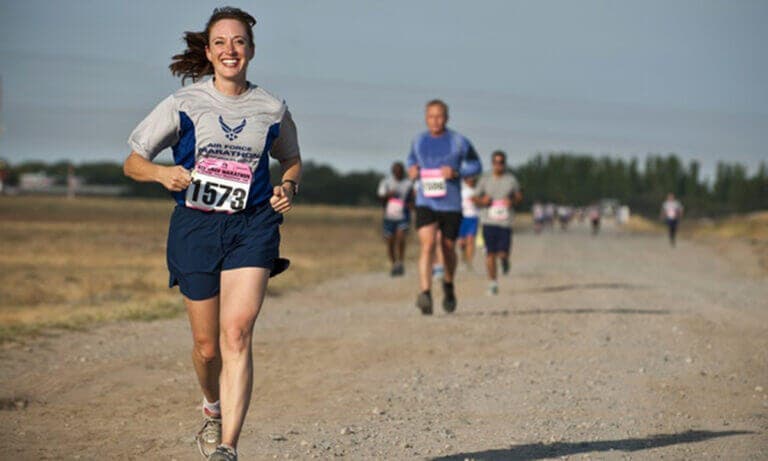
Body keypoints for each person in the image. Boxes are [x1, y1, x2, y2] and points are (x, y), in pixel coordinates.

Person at [123, 8, 301, 461]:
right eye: (221, 42)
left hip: (252, 225)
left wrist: (288, 187)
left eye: (239, 42)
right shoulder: (183, 104)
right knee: (207, 349)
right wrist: (164, 176)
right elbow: (133, 161)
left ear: (252, 50)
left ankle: (228, 448)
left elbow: (291, 159)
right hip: (196, 227)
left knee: (237, 333)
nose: (230, 50)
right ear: (208, 51)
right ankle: (211, 405)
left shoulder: (271, 107)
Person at [407, 99, 482, 314]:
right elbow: (410, 162)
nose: (435, 121)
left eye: (439, 116)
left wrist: (457, 173)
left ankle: (448, 285)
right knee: (428, 244)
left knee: (448, 248)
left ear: (446, 118)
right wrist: (412, 169)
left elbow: (476, 164)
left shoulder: (459, 141)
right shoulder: (418, 141)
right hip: (426, 201)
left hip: (450, 204)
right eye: (431, 116)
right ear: (425, 118)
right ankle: (425, 294)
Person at [474, 150, 522, 295]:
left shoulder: (511, 180)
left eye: (501, 162)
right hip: (488, 220)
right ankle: (492, 282)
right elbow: (475, 197)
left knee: (502, 253)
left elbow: (519, 196)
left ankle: (505, 261)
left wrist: (512, 201)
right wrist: (483, 201)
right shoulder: (485, 179)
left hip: (505, 222)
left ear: (505, 164)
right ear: (492, 163)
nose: (498, 165)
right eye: (495, 162)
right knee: (490, 254)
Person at [377, 162, 413, 276]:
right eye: (396, 171)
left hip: (403, 216)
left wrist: (411, 205)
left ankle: (401, 262)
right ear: (393, 172)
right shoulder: (386, 182)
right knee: (390, 242)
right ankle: (394, 264)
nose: (398, 173)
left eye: (400, 171)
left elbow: (413, 197)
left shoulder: (408, 183)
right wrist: (388, 195)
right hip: (389, 216)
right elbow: (380, 197)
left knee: (401, 237)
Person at [457, 176, 480, 270]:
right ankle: (463, 255)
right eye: (469, 179)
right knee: (462, 242)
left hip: (473, 217)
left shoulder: (477, 190)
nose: (471, 181)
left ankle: (469, 263)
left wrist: (477, 201)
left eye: (473, 179)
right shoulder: (460, 189)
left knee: (470, 240)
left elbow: (481, 202)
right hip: (461, 217)